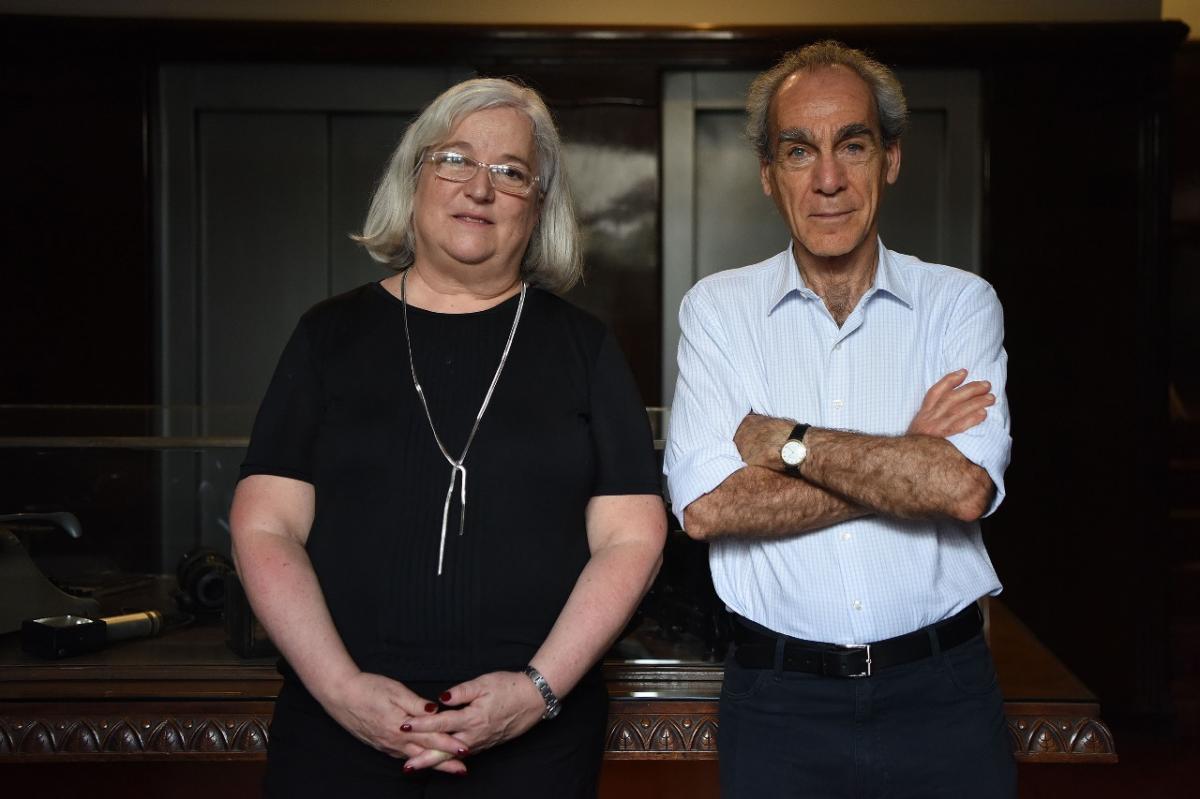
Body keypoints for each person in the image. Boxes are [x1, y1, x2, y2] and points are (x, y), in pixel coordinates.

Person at [230, 77, 666, 798]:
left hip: (536, 745)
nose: (480, 188)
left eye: (510, 171)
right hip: (336, 735)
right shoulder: (327, 336)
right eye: (455, 159)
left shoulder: (585, 348)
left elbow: (633, 537)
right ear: (414, 178)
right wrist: (342, 689)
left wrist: (535, 691)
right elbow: (264, 524)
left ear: (538, 204)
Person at [664, 41, 1015, 798]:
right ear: (768, 173)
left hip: (943, 694)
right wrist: (908, 453)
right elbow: (709, 507)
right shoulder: (718, 312)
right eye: (799, 150)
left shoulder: (960, 304)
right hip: (778, 702)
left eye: (852, 144)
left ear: (890, 158)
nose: (828, 179)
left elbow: (961, 489)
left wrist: (784, 442)